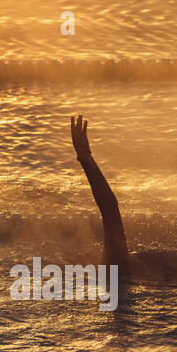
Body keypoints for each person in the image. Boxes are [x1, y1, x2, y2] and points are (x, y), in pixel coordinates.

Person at [70, 115, 131, 272]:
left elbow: (109, 208)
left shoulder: (116, 263)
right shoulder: (117, 263)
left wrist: (85, 157)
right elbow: (109, 207)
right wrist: (85, 157)